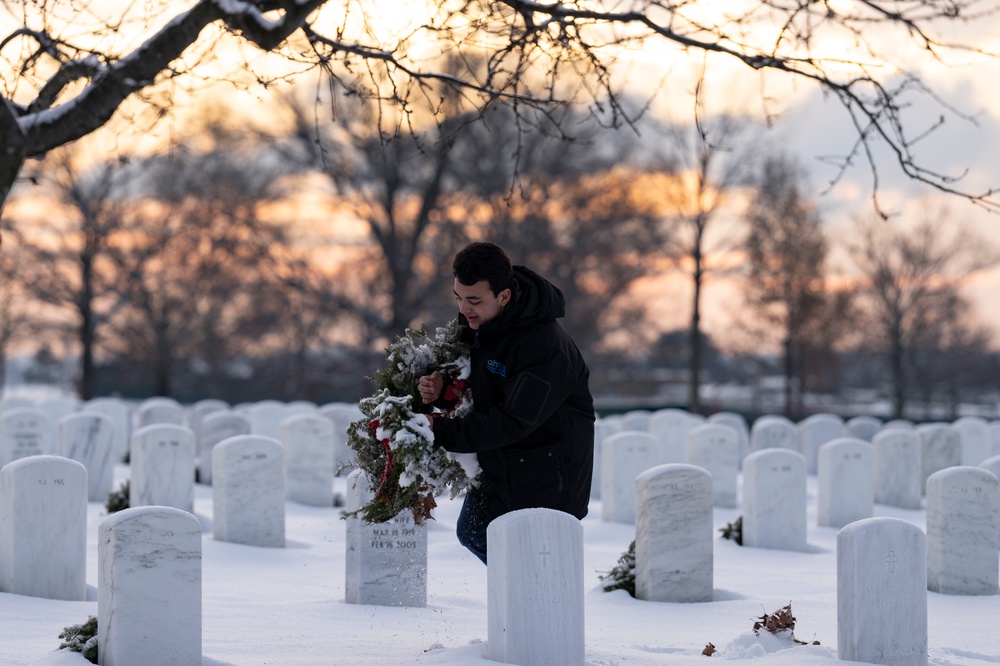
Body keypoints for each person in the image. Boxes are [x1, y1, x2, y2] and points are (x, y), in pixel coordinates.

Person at [418, 241, 595, 565]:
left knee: (535, 564)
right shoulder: (481, 323)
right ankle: (523, 605)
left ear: (504, 296)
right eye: (458, 297)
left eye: (474, 300)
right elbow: (486, 384)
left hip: (547, 473)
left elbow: (513, 419)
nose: (464, 308)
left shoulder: (545, 348)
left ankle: (537, 610)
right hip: (504, 461)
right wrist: (446, 389)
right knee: (473, 532)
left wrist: (439, 430)